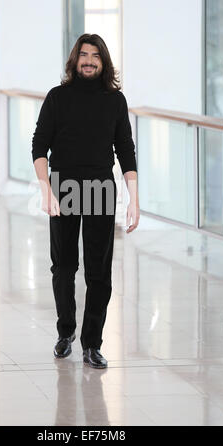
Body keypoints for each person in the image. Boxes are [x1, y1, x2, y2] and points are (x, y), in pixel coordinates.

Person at [31, 33, 139, 369]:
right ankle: (66, 334)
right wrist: (45, 189)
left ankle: (92, 344)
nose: (89, 60)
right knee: (63, 267)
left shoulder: (115, 101)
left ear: (103, 62)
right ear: (75, 60)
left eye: (95, 56)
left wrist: (134, 198)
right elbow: (39, 146)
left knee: (99, 271)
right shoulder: (58, 97)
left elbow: (125, 149)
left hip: (101, 187)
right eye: (84, 55)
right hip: (63, 185)